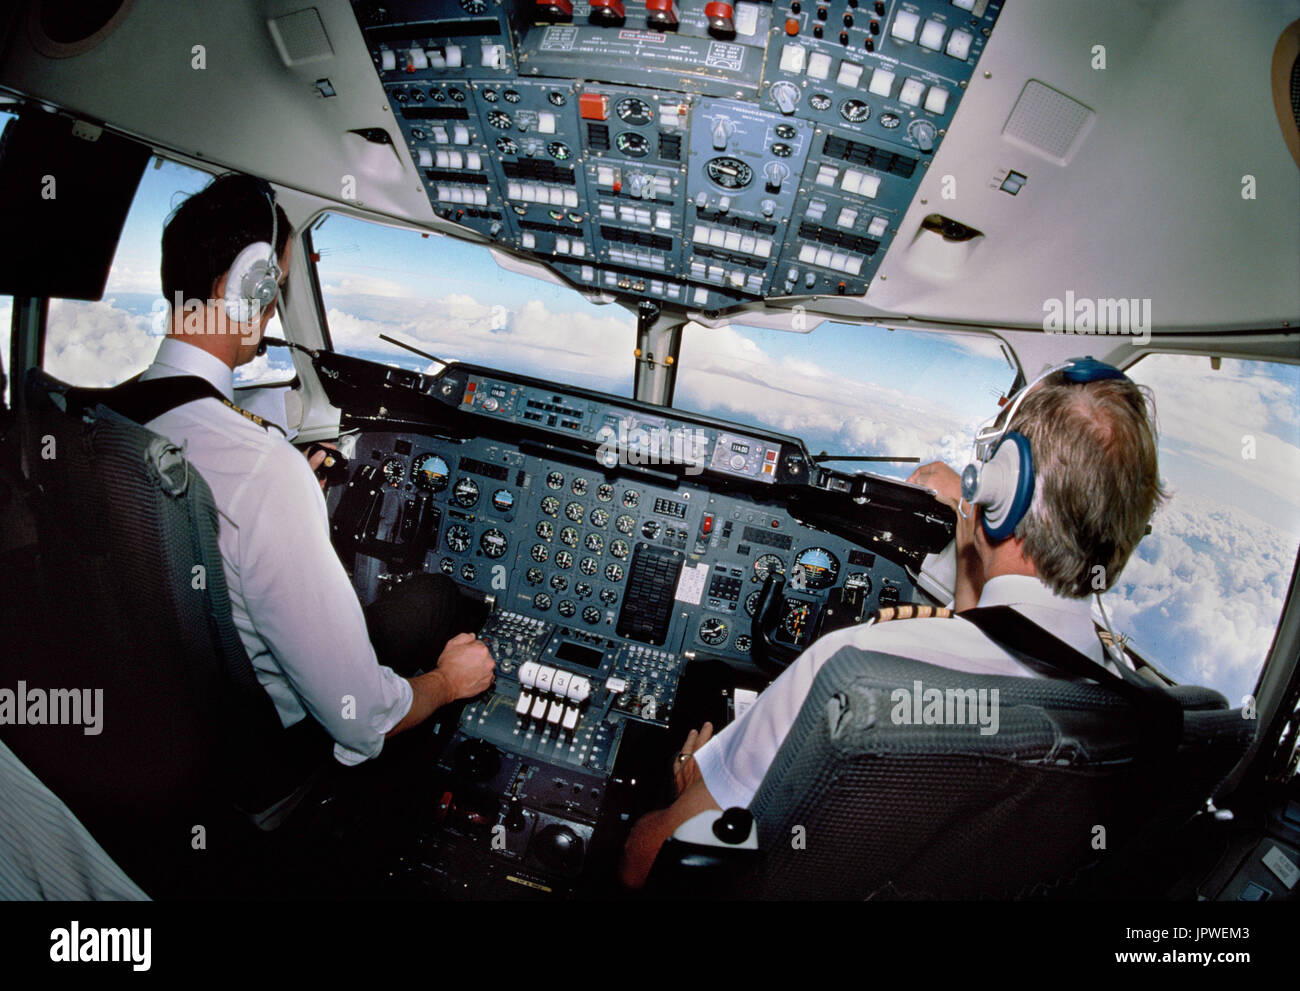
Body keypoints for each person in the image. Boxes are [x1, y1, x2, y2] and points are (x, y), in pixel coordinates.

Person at [619, 359, 1167, 888]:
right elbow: (989, 654)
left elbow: (645, 864)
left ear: (1004, 485)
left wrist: (692, 771)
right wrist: (969, 531)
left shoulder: (854, 670)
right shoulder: (1146, 723)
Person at [139, 173, 495, 768]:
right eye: (274, 285)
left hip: (163, 705)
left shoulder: (105, 418)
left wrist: (284, 491)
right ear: (247, 290)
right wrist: (447, 682)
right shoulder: (261, 469)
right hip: (258, 745)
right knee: (434, 597)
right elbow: (361, 718)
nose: (275, 305)